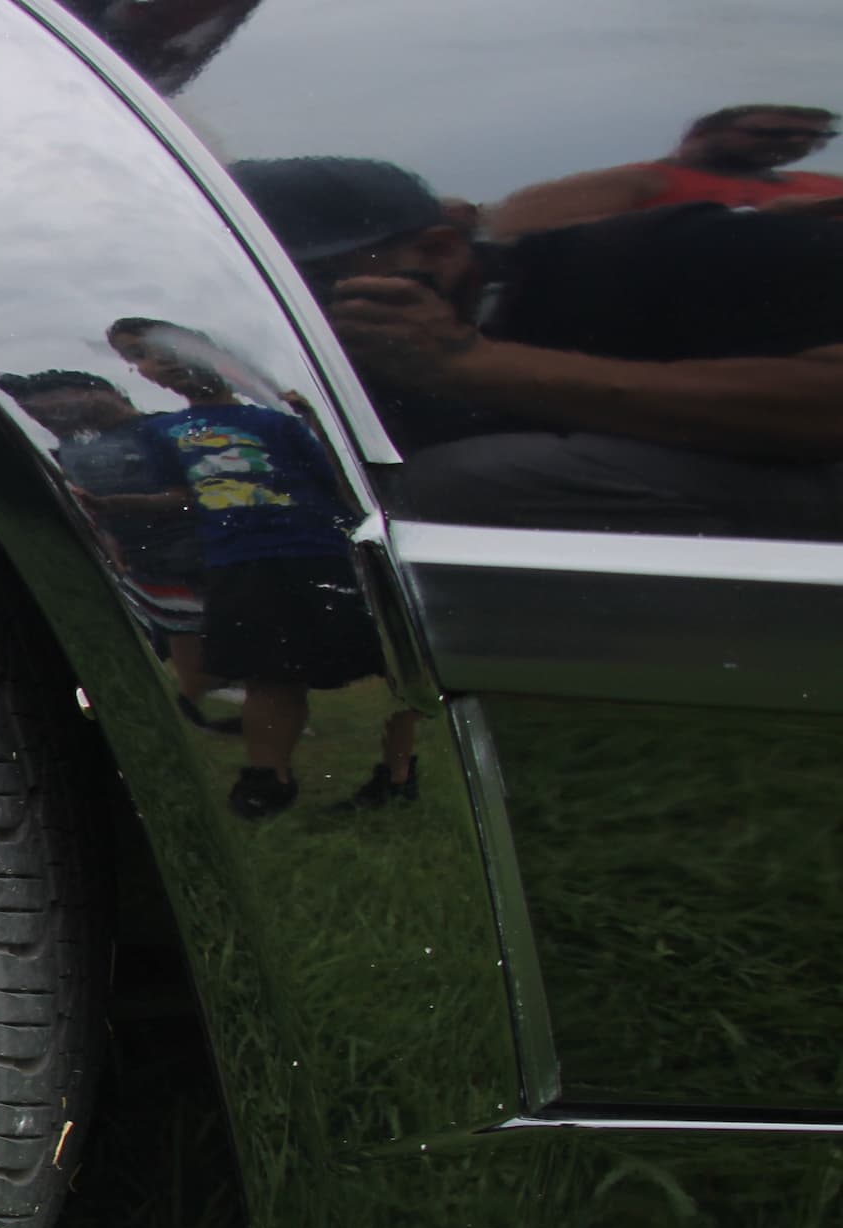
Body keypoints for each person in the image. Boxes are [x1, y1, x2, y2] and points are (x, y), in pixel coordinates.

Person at [233, 154, 843, 541]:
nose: (291, 312)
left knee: (464, 480)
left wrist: (475, 367)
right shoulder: (331, 367)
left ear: (440, 252)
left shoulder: (671, 253)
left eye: (304, 282)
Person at [103, 321, 418, 818]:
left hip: (318, 550)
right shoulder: (161, 431)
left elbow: (333, 480)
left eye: (161, 347)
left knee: (386, 664)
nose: (156, 361)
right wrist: (111, 506)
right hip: (238, 559)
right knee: (265, 672)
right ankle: (269, 777)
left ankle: (400, 773)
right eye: (139, 355)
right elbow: (177, 495)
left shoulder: (278, 421)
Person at [0, 369, 233, 731]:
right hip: (142, 560)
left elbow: (199, 491)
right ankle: (194, 705)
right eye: (40, 414)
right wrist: (110, 545)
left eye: (58, 406)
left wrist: (115, 507)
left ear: (101, 391)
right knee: (180, 630)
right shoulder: (71, 448)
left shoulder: (161, 429)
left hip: (204, 547)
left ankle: (214, 702)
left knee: (209, 628)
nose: (51, 417)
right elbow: (89, 509)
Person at [488, 104, 843, 238]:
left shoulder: (827, 184)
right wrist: (750, 219)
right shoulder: (641, 180)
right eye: (772, 132)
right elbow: (512, 228)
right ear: (700, 134)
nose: (796, 143)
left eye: (814, 137)